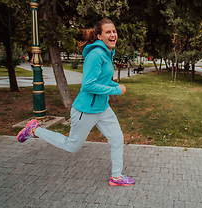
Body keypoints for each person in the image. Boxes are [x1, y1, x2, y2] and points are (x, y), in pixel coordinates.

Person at [17, 18, 135, 186]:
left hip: (102, 108)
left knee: (117, 139)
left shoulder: (107, 53)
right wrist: (116, 90)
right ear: (99, 36)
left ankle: (116, 177)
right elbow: (88, 85)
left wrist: (115, 85)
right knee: (72, 146)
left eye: (114, 31)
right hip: (85, 110)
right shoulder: (96, 54)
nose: (112, 34)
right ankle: (35, 130)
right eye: (108, 32)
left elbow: (103, 79)